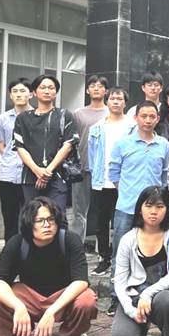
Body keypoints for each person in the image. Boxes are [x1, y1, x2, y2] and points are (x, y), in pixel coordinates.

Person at [0, 197, 97, 336]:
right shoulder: (17, 243)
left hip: (62, 297)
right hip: (30, 298)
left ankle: (75, 334)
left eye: (51, 219)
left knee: (86, 299)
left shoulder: (70, 240)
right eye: (40, 221)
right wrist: (18, 306)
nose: (47, 225)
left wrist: (51, 311)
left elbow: (81, 281)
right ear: (29, 223)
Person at [107, 100, 169, 315]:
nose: (147, 120)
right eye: (143, 116)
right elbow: (114, 173)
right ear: (135, 118)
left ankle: (149, 294)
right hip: (126, 207)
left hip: (153, 210)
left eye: (152, 116)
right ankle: (116, 297)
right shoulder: (123, 143)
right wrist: (127, 193)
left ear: (157, 119)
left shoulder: (163, 144)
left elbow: (164, 175)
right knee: (120, 253)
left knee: (153, 252)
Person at [111, 186, 169, 336]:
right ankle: (140, 332)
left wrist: (148, 294)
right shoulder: (128, 239)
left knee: (167, 302)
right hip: (135, 297)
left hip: (163, 294)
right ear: (140, 208)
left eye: (160, 206)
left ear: (167, 209)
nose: (153, 211)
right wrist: (131, 311)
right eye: (149, 205)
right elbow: (119, 281)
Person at [88, 87, 134, 276]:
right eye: (112, 98)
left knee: (123, 222)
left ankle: (122, 259)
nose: (116, 102)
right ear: (107, 102)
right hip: (102, 181)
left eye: (119, 99)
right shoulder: (97, 127)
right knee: (101, 222)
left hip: (125, 182)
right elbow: (92, 155)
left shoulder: (132, 126)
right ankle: (104, 258)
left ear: (125, 103)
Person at [13, 74, 74, 212]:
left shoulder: (64, 115)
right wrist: (37, 170)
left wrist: (47, 172)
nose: (47, 91)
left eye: (51, 88)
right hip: (30, 178)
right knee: (32, 217)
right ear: (34, 92)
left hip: (57, 177)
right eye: (43, 88)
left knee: (58, 216)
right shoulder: (23, 118)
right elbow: (19, 147)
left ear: (56, 92)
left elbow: (68, 145)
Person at [0, 78, 32, 241]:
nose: (18, 94)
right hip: (8, 174)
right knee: (9, 216)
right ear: (10, 95)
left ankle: (29, 250)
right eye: (15, 91)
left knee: (30, 216)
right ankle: (10, 250)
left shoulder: (37, 117)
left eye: (23, 91)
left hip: (30, 174)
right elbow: (1, 146)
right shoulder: (2, 119)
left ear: (31, 94)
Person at [71, 75, 109, 241]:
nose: (96, 88)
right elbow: (73, 140)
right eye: (93, 85)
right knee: (79, 212)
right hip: (82, 167)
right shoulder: (78, 113)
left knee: (104, 211)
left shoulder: (111, 112)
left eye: (100, 86)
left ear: (106, 91)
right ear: (87, 90)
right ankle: (76, 246)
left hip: (105, 169)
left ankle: (103, 249)